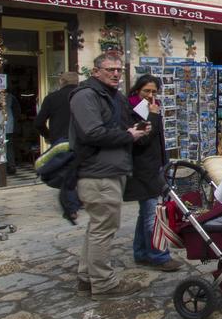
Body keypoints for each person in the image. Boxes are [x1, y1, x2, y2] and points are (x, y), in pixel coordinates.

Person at [71, 54, 149, 299]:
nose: (116, 74)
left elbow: (122, 124)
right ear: (96, 71)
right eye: (110, 70)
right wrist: (128, 136)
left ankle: (86, 278)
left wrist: (142, 127)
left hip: (111, 170)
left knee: (98, 226)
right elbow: (92, 133)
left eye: (119, 70)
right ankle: (104, 283)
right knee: (103, 228)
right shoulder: (86, 95)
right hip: (97, 172)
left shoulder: (113, 96)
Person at [125, 75, 182, 272]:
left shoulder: (151, 108)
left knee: (145, 213)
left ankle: (141, 252)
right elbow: (142, 140)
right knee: (152, 215)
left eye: (154, 92)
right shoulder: (135, 110)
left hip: (154, 165)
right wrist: (153, 116)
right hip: (143, 168)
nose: (150, 96)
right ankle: (159, 256)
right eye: (146, 91)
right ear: (137, 90)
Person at [36, 71, 79, 144]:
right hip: (81, 142)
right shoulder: (86, 96)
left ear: (61, 81)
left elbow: (38, 123)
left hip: (59, 141)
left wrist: (48, 136)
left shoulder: (51, 98)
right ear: (77, 82)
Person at [4, 91, 21, 175]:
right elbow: (17, 112)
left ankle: (4, 166)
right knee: (9, 146)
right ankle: (11, 166)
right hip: (9, 125)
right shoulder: (11, 97)